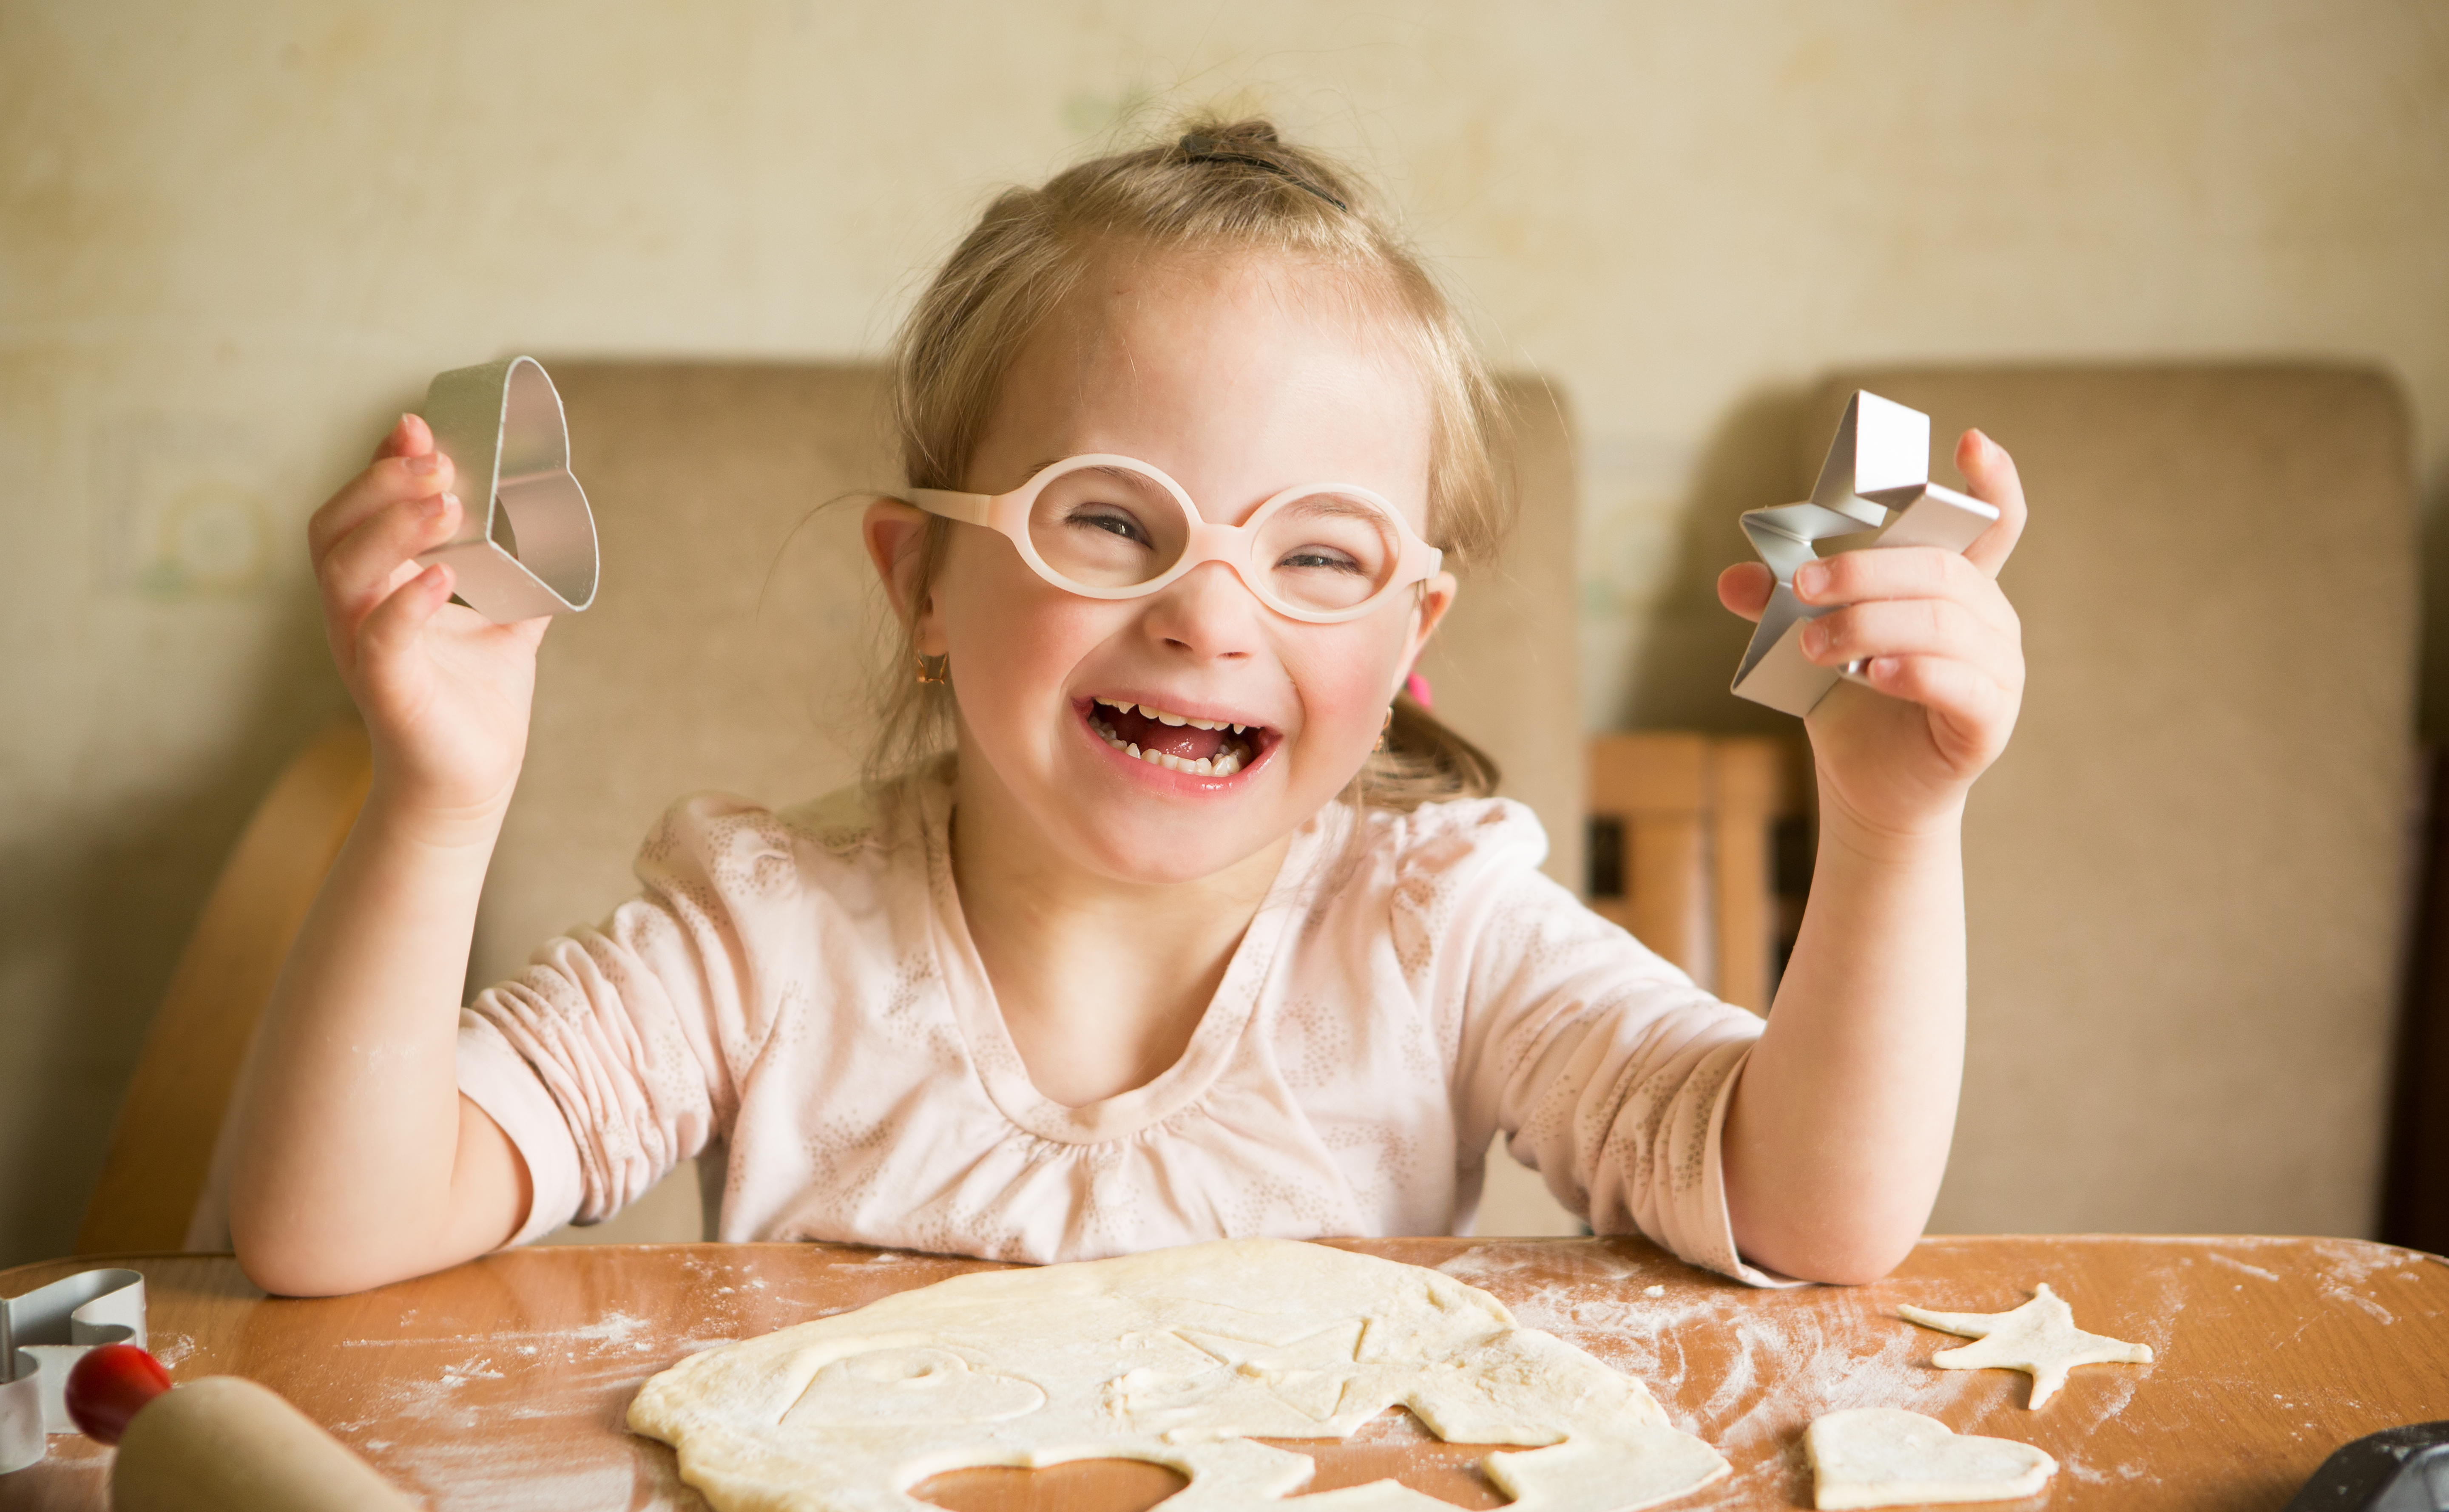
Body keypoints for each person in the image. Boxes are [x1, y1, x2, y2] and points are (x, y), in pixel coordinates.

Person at [228, 120, 2026, 1299]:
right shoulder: (763, 938)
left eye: (1319, 558)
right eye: (1109, 520)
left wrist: (1890, 829)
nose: (1204, 612)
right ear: (920, 584)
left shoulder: (1434, 933)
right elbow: (334, 1233)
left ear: (1412, 633)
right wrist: (435, 803)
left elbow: (1807, 1217)